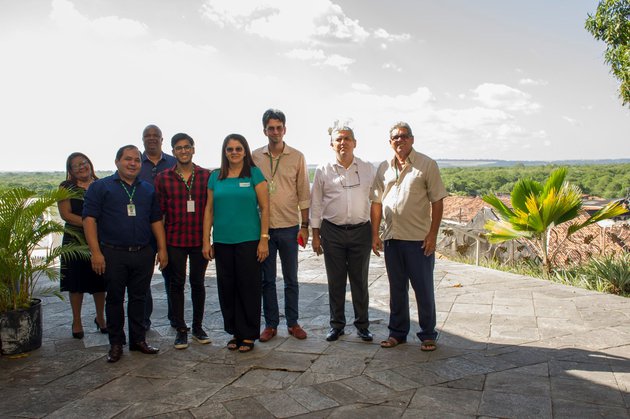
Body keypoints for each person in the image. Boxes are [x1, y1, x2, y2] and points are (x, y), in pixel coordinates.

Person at [83, 145, 168, 363]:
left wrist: (162, 248)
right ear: (117, 162)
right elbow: (89, 220)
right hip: (113, 253)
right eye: (128, 159)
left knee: (140, 298)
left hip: (142, 253)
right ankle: (116, 343)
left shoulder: (147, 189)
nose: (133, 163)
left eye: (137, 160)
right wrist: (95, 252)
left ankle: (138, 340)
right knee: (115, 299)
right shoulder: (100, 187)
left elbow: (155, 220)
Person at [371, 122, 447, 352]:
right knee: (397, 290)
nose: (400, 140)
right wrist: (374, 234)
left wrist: (432, 234)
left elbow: (437, 201)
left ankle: (427, 335)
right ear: (390, 142)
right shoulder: (384, 167)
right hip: (392, 238)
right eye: (395, 137)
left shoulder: (426, 165)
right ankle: (397, 333)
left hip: (418, 240)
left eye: (404, 136)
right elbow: (376, 202)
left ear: (412, 139)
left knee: (423, 289)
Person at [203, 134, 269, 353]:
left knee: (248, 287)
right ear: (224, 152)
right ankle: (235, 332)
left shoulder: (254, 174)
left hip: (249, 241)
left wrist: (264, 239)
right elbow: (209, 210)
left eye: (238, 149)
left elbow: (265, 208)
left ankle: (248, 334)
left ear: (245, 151)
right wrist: (206, 240)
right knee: (227, 288)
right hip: (222, 241)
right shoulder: (215, 177)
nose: (234, 152)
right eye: (230, 149)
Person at [310, 123, 376, 342]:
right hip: (332, 232)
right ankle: (336, 325)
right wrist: (315, 234)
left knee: (360, 281)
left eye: (347, 138)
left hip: (361, 231)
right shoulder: (323, 169)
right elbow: (316, 203)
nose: (343, 143)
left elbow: (376, 200)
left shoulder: (367, 168)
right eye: (338, 139)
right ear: (332, 144)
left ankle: (363, 326)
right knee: (335, 281)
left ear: (355, 143)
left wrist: (376, 232)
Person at [252, 109, 310, 342]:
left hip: (289, 226)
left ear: (284, 129)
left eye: (278, 127)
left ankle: (293, 323)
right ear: (264, 130)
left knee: (291, 279)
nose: (275, 132)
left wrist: (305, 225)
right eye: (271, 128)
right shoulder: (255, 157)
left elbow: (303, 192)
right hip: (263, 229)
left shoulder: (297, 156)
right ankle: (271, 324)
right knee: (267, 280)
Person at [154, 133, 211, 350]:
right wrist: (161, 248)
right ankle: (180, 329)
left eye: (187, 147)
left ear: (193, 149)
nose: (184, 151)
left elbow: (211, 211)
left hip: (198, 239)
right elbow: (159, 215)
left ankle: (198, 327)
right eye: (179, 148)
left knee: (198, 283)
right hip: (174, 240)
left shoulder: (205, 176)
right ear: (173, 152)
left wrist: (208, 240)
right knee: (176, 285)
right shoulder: (163, 178)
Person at [58, 152, 107, 339]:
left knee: (100, 281)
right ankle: (76, 321)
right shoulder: (66, 187)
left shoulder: (101, 184)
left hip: (99, 239)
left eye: (84, 162)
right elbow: (66, 215)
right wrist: (89, 223)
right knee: (75, 282)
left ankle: (100, 318)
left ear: (90, 163)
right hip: (75, 241)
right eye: (76, 165)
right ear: (70, 170)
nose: (81, 167)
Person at [138, 124, 177, 330]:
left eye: (156, 135)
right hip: (142, 229)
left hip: (169, 228)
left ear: (162, 140)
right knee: (143, 278)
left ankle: (175, 318)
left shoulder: (173, 162)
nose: (152, 138)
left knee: (171, 276)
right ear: (142, 139)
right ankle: (143, 320)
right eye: (148, 135)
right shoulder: (135, 163)